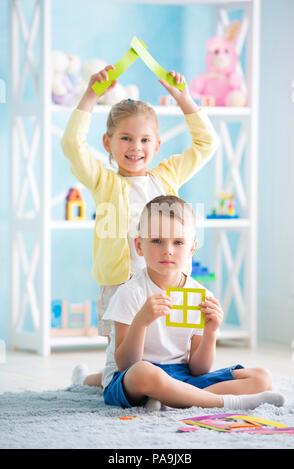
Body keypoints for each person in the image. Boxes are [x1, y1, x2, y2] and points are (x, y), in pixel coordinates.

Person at [61, 64, 219, 389]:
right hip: (123, 285)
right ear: (107, 142)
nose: (136, 147)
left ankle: (124, 383)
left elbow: (206, 144)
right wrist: (91, 95)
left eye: (145, 139)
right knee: (122, 363)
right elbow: (72, 146)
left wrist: (183, 98)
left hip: (169, 280)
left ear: (157, 145)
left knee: (166, 356)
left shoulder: (167, 175)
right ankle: (95, 381)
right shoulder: (104, 182)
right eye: (126, 138)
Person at [101, 195, 285, 410]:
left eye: (178, 242)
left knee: (262, 378)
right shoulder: (130, 293)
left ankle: (172, 399)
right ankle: (225, 402)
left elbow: (199, 370)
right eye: (156, 240)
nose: (168, 250)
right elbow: (126, 365)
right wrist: (141, 322)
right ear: (139, 245)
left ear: (192, 248)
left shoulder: (200, 295)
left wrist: (211, 333)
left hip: (183, 376)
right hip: (136, 378)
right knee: (144, 372)